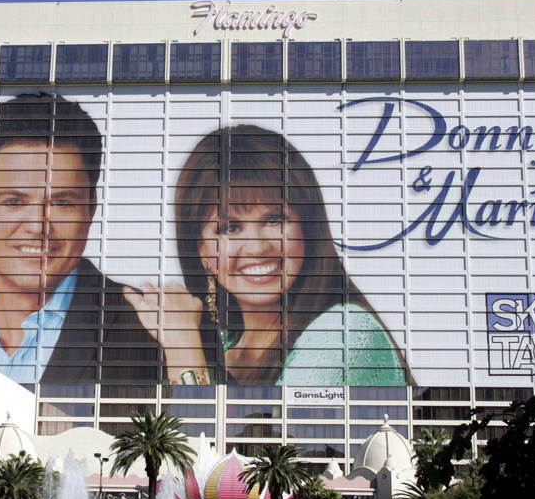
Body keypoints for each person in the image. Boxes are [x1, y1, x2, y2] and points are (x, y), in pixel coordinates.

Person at [124, 124, 408, 386]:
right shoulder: (222, 344)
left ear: (307, 226)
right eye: (230, 227)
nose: (257, 247)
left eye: (274, 220)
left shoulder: (344, 332)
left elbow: (273, 438)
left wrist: (183, 345)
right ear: (201, 252)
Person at [0, 93, 160, 386]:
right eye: (13, 202)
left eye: (61, 203)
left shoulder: (152, 332)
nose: (37, 225)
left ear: (90, 209)